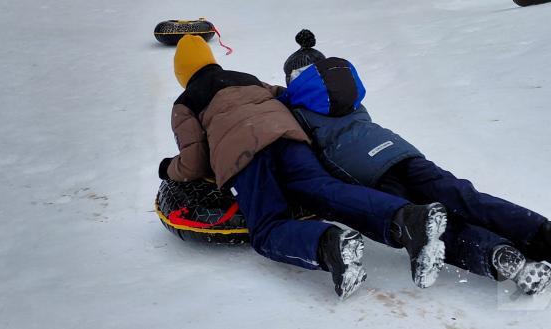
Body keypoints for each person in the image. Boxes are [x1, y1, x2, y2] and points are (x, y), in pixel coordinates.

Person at [276, 30, 551, 294]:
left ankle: (496, 254)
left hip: (370, 175)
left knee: (430, 224)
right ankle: (545, 233)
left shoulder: (295, 107)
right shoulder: (349, 94)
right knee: (463, 196)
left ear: (292, 78)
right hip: (402, 153)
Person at [157, 35, 449, 299]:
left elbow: (193, 162)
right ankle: (406, 218)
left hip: (244, 156)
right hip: (289, 138)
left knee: (267, 227)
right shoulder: (247, 78)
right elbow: (288, 95)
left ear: (181, 74)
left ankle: (329, 246)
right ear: (212, 61)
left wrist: (169, 168)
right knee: (323, 189)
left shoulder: (185, 103)